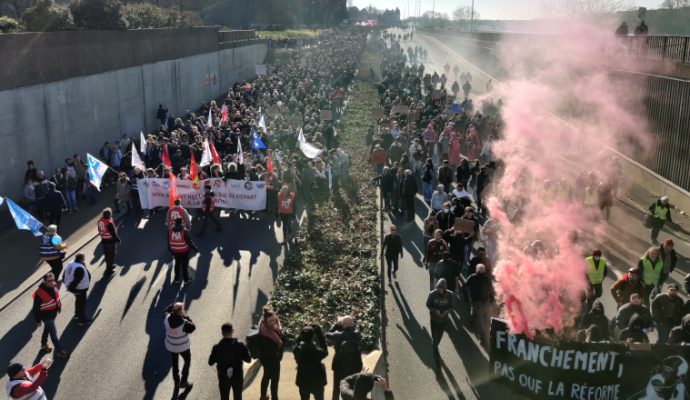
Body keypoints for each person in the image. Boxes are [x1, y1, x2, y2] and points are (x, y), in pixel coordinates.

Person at [208, 322, 252, 400]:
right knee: (238, 396)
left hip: (223, 376)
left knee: (224, 397)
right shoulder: (240, 345)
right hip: (237, 375)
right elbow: (248, 360)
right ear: (232, 331)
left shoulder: (216, 347)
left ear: (222, 333)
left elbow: (210, 362)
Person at [32, 273, 69, 358]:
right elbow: (35, 309)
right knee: (53, 334)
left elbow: (57, 297)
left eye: (53, 279)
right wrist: (38, 321)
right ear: (44, 281)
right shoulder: (39, 293)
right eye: (49, 280)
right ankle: (60, 351)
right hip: (46, 316)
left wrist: (59, 306)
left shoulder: (54, 285)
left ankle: (44, 343)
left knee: (47, 328)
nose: (52, 282)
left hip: (53, 314)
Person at [326, 315, 362, 400]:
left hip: (339, 366)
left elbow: (327, 334)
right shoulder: (357, 334)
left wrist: (337, 325)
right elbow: (353, 329)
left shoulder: (337, 335)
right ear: (352, 324)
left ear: (343, 324)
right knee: (352, 388)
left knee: (336, 389)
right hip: (354, 366)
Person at [164, 302, 195, 390]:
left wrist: (172, 305)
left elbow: (165, 311)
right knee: (187, 361)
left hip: (171, 346)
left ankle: (176, 381)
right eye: (182, 310)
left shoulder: (166, 318)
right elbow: (193, 327)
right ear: (180, 311)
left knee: (175, 363)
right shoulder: (185, 323)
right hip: (183, 347)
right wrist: (185, 317)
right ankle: (184, 381)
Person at [463, 264, 494, 348]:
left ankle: (472, 323)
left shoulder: (472, 277)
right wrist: (491, 299)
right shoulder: (486, 278)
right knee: (482, 319)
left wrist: (465, 296)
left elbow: (464, 285)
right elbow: (491, 289)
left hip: (475, 300)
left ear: (476, 270)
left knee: (476, 314)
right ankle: (482, 337)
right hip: (484, 301)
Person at [294, 324, 328, 400]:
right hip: (317, 380)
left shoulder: (297, 350)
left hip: (303, 380)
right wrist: (319, 334)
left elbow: (298, 342)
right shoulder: (317, 351)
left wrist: (303, 331)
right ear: (312, 336)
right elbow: (325, 350)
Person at [258, 306, 285, 400]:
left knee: (266, 377)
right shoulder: (266, 334)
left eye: (274, 320)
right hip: (271, 360)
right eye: (270, 321)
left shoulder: (266, 325)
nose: (273, 323)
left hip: (266, 359)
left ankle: (263, 396)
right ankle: (274, 398)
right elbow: (276, 348)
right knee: (273, 380)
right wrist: (282, 340)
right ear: (265, 322)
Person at [426, 278, 453, 366]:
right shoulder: (432, 294)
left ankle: (435, 345)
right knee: (434, 335)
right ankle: (435, 348)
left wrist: (447, 311)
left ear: (445, 288)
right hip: (434, 319)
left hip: (444, 320)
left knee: (439, 336)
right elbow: (428, 304)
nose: (440, 290)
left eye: (441, 288)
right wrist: (435, 311)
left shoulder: (450, 295)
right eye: (438, 288)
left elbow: (452, 306)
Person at [63, 253, 92, 325]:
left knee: (78, 301)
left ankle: (77, 314)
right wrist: (72, 289)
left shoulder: (71, 263)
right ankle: (81, 321)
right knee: (81, 304)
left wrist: (66, 284)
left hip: (76, 289)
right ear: (81, 259)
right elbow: (76, 281)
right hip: (79, 289)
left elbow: (64, 274)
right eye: (84, 258)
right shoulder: (79, 268)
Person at [168, 218, 198, 284]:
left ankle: (176, 279)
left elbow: (169, 241)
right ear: (181, 223)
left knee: (177, 264)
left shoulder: (170, 231)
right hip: (184, 251)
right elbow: (189, 242)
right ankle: (186, 280)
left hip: (175, 251)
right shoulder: (184, 231)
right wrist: (195, 248)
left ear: (175, 223)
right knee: (185, 265)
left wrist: (171, 250)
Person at [97, 208, 120, 274]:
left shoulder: (100, 221)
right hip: (110, 241)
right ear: (109, 214)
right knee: (111, 255)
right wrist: (118, 240)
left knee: (107, 256)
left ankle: (109, 267)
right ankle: (109, 270)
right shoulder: (109, 223)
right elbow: (113, 234)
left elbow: (99, 230)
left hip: (104, 241)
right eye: (111, 213)